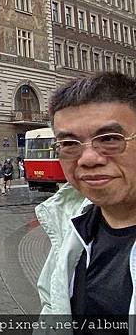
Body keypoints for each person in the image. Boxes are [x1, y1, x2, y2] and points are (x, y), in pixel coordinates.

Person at [36, 73, 136, 327]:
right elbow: (51, 307)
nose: (88, 158)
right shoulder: (70, 227)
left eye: (110, 139)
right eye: (69, 143)